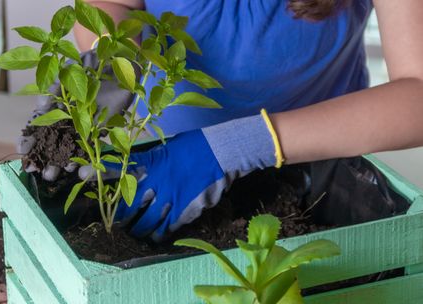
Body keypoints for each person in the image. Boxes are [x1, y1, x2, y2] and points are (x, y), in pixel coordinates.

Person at [26, 0, 423, 242]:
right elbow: (111, 3)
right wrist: (112, 60)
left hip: (316, 172)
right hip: (164, 165)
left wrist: (244, 144)